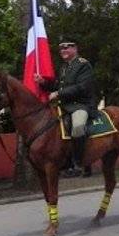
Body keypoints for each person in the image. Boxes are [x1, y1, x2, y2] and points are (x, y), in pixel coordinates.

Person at [35, 37, 97, 175]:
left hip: (80, 105)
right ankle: (64, 162)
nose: (63, 50)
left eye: (67, 47)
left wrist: (59, 93)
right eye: (61, 48)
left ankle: (79, 163)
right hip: (65, 106)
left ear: (75, 49)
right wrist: (43, 82)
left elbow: (82, 87)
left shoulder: (83, 64)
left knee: (78, 127)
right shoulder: (64, 67)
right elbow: (58, 85)